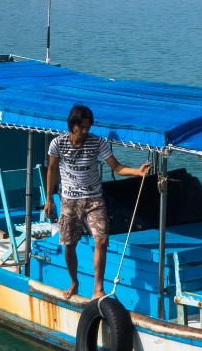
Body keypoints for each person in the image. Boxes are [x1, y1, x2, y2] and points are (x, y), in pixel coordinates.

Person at [44, 103, 151, 301]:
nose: (85, 131)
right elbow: (51, 170)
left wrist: (138, 171)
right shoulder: (57, 144)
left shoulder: (98, 142)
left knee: (101, 240)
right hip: (69, 199)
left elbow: (117, 167)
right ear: (72, 125)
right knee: (69, 244)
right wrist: (49, 199)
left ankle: (98, 288)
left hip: (94, 199)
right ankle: (74, 282)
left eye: (88, 127)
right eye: (82, 127)